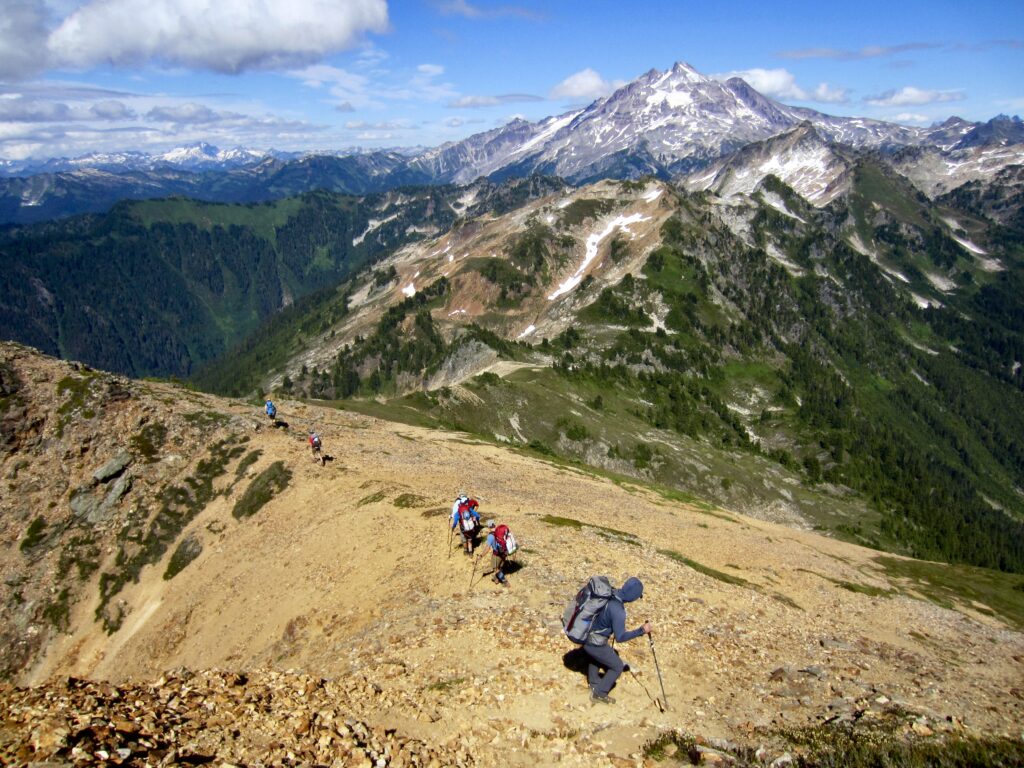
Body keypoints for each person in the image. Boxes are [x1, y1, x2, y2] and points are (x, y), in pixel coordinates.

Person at [583, 576, 652, 705]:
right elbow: (620, 637)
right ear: (633, 596)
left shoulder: (610, 593)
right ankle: (598, 694)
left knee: (598, 656)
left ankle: (593, 683)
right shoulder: (618, 611)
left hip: (584, 635)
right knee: (617, 666)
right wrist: (641, 631)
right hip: (594, 643)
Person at [483, 520, 509, 587]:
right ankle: (496, 578)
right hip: (505, 552)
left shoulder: (490, 536)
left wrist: (481, 555)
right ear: (494, 524)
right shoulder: (501, 531)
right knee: (500, 566)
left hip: (497, 554)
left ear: (489, 527)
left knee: (495, 569)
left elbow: (487, 548)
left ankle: (504, 581)